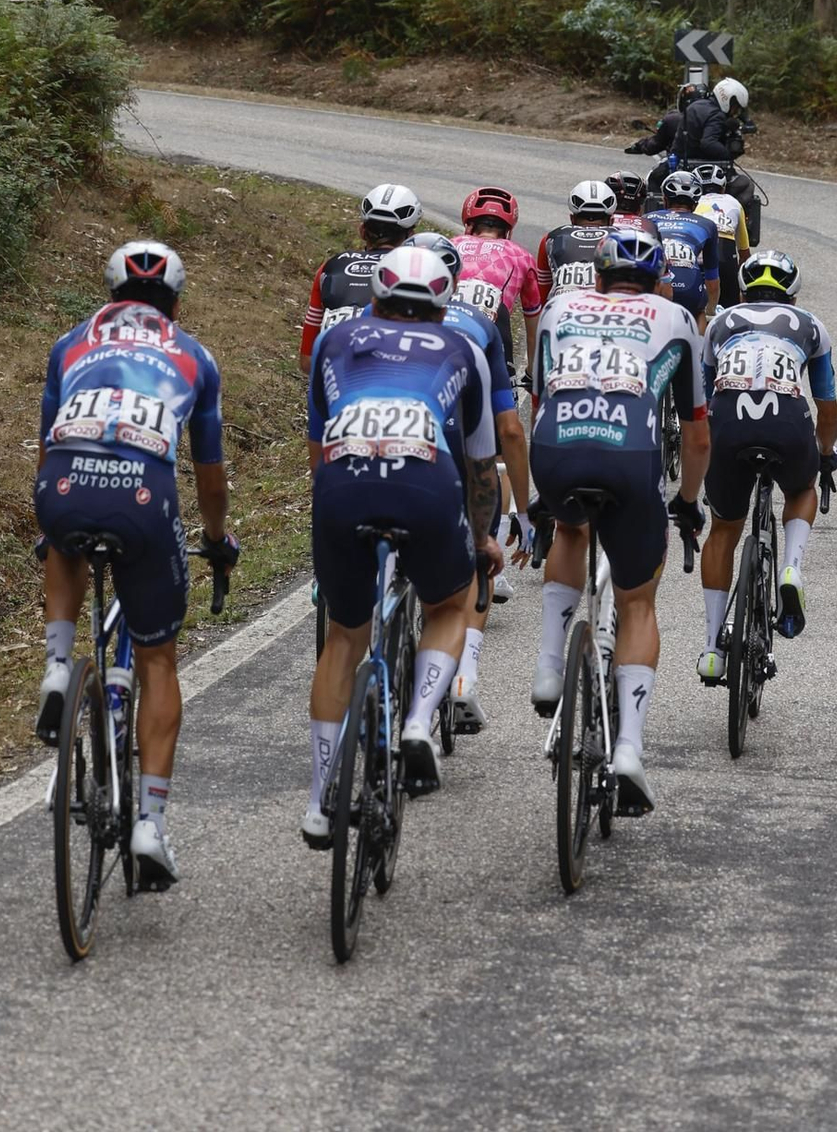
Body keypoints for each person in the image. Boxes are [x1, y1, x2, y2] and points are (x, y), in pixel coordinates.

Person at [34, 240, 239, 891]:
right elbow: (209, 475)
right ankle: (149, 822)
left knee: (61, 539)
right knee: (156, 658)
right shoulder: (194, 356)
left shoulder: (69, 343)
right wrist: (216, 537)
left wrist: (51, 524)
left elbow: (48, 447)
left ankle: (59, 668)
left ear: (109, 291)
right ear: (176, 302)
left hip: (66, 482)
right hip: (144, 498)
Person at [303, 244, 503, 845]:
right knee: (450, 603)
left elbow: (317, 451)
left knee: (343, 635)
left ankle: (318, 802)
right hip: (425, 480)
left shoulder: (334, 343)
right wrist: (485, 536)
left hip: (343, 484)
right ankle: (417, 721)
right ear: (444, 307)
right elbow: (482, 465)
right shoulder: (463, 347)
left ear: (374, 298)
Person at [528, 224, 709, 814]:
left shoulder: (557, 306)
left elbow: (538, 398)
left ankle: (550, 668)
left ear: (598, 275)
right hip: (631, 461)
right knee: (637, 603)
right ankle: (628, 747)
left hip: (556, 448)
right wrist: (687, 501)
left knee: (570, 528)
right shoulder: (677, 317)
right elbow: (697, 431)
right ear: (657, 280)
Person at [697, 251, 837, 679]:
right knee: (801, 489)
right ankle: (791, 568)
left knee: (724, 527)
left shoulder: (720, 324)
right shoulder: (812, 325)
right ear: (792, 296)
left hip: (727, 422)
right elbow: (827, 407)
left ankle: (710, 650)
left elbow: (704, 400)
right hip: (787, 422)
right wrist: (826, 453)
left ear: (743, 291)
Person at [411, 229, 532, 727]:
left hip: (374, 451)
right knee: (474, 558)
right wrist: (521, 512)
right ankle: (463, 678)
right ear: (453, 280)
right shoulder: (481, 321)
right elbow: (506, 425)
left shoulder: (362, 323)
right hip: (459, 440)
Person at [299, 182, 423, 365]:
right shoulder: (418, 271)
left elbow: (306, 360)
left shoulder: (330, 267)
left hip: (333, 375)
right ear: (411, 236)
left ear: (362, 230)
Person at [454, 185, 544, 380]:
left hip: (445, 337)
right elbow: (534, 328)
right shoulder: (522, 256)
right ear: (508, 228)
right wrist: (531, 374)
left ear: (468, 221)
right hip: (493, 340)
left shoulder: (449, 245)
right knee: (504, 405)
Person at [679, 77, 762, 241]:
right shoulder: (716, 115)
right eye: (734, 106)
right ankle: (736, 231)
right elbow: (708, 143)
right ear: (727, 99)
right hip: (704, 168)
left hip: (683, 166)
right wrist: (728, 155)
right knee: (745, 184)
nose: (734, 111)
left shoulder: (695, 106)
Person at [648, 167, 721, 325]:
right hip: (688, 289)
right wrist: (711, 311)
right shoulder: (707, 225)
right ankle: (700, 346)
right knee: (699, 313)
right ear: (695, 204)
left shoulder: (647, 219)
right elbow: (712, 278)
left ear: (665, 199)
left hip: (654, 286)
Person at [536, 179, 618, 304]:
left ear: (572, 219)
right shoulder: (626, 239)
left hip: (562, 315)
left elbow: (541, 297)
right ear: (611, 220)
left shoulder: (550, 239)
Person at [693, 162, 751, 307]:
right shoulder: (734, 203)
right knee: (730, 310)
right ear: (723, 187)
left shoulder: (692, 202)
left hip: (697, 256)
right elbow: (744, 253)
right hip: (726, 257)